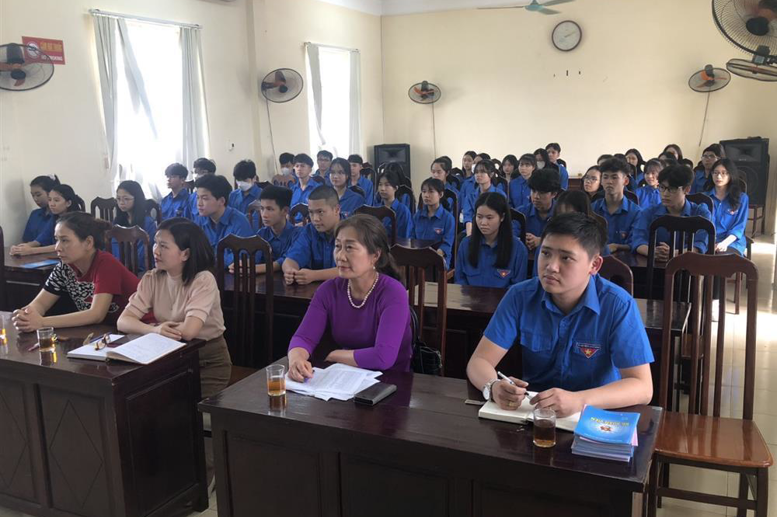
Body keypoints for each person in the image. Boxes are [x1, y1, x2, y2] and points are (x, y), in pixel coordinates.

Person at [466, 212, 654, 417]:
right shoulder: (520, 296)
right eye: (546, 253)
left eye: (566, 258)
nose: (551, 267)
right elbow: (479, 361)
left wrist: (579, 400)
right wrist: (493, 386)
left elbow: (642, 387)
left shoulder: (618, 305)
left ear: (594, 265)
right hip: (535, 413)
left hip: (594, 414)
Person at [117, 217, 232, 399]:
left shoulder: (203, 280)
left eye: (163, 246)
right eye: (155, 243)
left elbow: (189, 332)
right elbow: (123, 321)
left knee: (178, 409)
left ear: (185, 254)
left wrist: (157, 329)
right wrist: (154, 330)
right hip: (168, 358)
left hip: (206, 361)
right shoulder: (152, 278)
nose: (156, 251)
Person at [287, 215, 413, 379]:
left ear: (375, 255)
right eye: (338, 246)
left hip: (392, 380)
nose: (340, 256)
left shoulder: (393, 293)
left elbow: (383, 357)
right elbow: (303, 337)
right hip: (347, 377)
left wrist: (334, 355)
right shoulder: (328, 290)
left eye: (349, 248)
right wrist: (296, 359)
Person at [12, 212, 144, 331]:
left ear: (88, 242)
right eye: (57, 240)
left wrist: (42, 322)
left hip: (139, 329)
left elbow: (96, 314)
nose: (57, 247)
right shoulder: (64, 267)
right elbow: (40, 303)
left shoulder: (106, 264)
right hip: (105, 331)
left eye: (65, 240)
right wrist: (27, 315)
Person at [632, 164, 713, 259]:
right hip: (655, 262)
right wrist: (652, 251)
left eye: (672, 189)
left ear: (687, 189)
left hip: (688, 263)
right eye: (662, 187)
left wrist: (675, 254)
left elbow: (700, 245)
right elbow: (638, 239)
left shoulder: (701, 214)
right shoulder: (649, 212)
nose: (665, 194)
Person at [455, 193, 528, 287]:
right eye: (479, 216)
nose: (483, 223)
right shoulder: (465, 245)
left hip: (505, 297)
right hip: (469, 296)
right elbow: (460, 280)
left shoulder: (518, 250)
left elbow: (518, 287)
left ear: (502, 217)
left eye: (489, 218)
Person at [229, 185, 299, 275]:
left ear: (285, 211)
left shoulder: (297, 234)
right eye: (262, 208)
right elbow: (255, 257)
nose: (264, 215)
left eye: (270, 209)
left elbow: (284, 261)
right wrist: (242, 264)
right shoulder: (262, 233)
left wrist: (253, 270)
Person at [282, 186, 340, 285]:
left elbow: (351, 269)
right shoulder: (309, 230)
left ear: (336, 210)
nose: (315, 219)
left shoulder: (351, 231)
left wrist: (314, 275)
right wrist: (290, 271)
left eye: (320, 212)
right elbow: (290, 259)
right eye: (311, 212)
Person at [193, 174, 253, 267]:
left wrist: (212, 259)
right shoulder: (200, 219)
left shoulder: (239, 222)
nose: (199, 203)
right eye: (197, 197)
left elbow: (243, 256)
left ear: (221, 201)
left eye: (204, 198)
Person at [11, 184, 81, 256]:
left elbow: (62, 245)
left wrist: (31, 250)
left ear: (68, 203)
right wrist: (20, 248)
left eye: (56, 200)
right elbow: (42, 238)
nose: (51, 204)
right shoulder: (54, 218)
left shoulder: (76, 220)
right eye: (49, 200)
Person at [591, 158, 641, 254]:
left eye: (614, 177)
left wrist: (616, 246)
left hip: (626, 260)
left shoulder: (636, 212)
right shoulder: (592, 209)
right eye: (605, 177)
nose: (609, 181)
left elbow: (636, 243)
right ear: (601, 181)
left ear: (625, 181)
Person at [112, 180, 157, 273]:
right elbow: (113, 244)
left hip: (140, 268)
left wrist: (128, 264)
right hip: (120, 265)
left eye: (126, 199)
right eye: (118, 199)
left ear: (137, 199)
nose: (121, 202)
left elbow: (144, 251)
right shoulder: (118, 221)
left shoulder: (148, 223)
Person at [707, 159, 748, 255]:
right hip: (707, 240)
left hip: (732, 242)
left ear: (731, 175)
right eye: (715, 173)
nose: (719, 176)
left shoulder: (742, 198)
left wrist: (724, 243)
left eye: (724, 173)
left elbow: (739, 227)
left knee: (723, 259)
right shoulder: (704, 197)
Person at [413, 178, 456, 269]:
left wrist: (433, 257)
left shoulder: (448, 218)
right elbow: (412, 239)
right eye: (424, 191)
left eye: (431, 191)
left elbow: (447, 244)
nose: (426, 195)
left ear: (440, 194)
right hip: (419, 257)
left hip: (439, 258)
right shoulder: (417, 216)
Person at [517, 169, 560, 252]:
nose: (536, 196)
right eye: (533, 191)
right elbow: (511, 234)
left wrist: (542, 241)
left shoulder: (562, 214)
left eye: (541, 192)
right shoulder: (520, 213)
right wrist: (522, 239)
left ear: (554, 194)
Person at [463, 159, 506, 235]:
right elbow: (468, 217)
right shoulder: (470, 196)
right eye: (476, 172)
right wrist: (469, 235)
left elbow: (503, 217)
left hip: (496, 231)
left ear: (491, 174)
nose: (478, 175)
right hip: (475, 229)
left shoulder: (500, 194)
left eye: (482, 172)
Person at [375, 168, 413, 239]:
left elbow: (405, 238)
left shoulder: (403, 211)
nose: (382, 188)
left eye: (387, 185)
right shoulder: (375, 208)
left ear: (396, 188)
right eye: (380, 184)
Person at [22, 175, 59, 243]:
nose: (35, 199)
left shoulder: (61, 215)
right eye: (33, 195)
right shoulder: (34, 214)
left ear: (50, 193)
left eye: (38, 195)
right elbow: (26, 239)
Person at [290, 153, 320, 222]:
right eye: (297, 166)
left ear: (310, 169)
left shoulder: (317, 189)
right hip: (293, 225)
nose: (299, 169)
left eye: (302, 166)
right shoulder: (292, 190)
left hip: (312, 224)